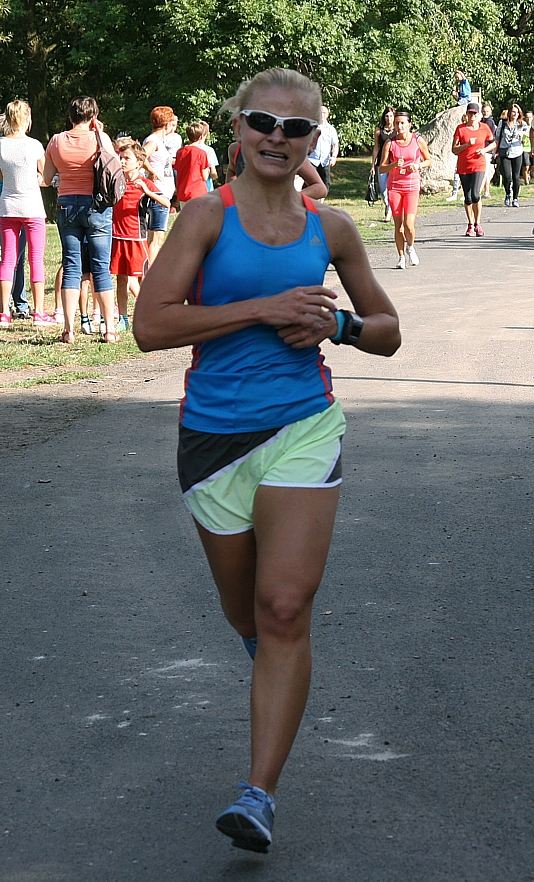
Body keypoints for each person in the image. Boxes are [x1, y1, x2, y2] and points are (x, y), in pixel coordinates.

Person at [133, 66, 400, 854]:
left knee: (284, 609)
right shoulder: (205, 216)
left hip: (303, 426)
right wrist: (264, 309)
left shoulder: (332, 228)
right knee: (246, 614)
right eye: (262, 122)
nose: (277, 138)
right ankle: (272, 661)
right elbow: (150, 326)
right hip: (214, 439)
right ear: (238, 128)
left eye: (295, 128)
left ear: (315, 138)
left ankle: (258, 796)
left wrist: (339, 328)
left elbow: (388, 331)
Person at [43, 95, 118, 342]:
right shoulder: (101, 139)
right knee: (101, 268)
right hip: (96, 205)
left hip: (66, 205)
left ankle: (69, 329)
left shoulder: (56, 140)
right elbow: (114, 169)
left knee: (71, 266)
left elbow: (47, 178)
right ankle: (109, 329)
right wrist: (100, 133)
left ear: (70, 115)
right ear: (93, 116)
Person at [0, 100, 54, 327]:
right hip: (32, 206)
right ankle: (39, 312)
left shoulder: (1, 145)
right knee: (36, 258)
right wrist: (37, 179)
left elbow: (2, 176)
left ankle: (4, 312)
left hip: (7, 206)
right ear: (27, 119)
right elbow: (47, 177)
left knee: (7, 259)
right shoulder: (34, 145)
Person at [111, 142, 170, 331]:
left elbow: (166, 203)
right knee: (121, 280)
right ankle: (123, 319)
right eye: (121, 157)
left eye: (126, 158)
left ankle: (151, 314)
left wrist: (148, 192)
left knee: (142, 279)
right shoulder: (116, 181)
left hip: (137, 239)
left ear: (138, 163)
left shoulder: (145, 183)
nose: (122, 161)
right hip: (117, 237)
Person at [379, 109, 432, 269]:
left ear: (410, 124)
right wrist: (394, 165)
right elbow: (382, 168)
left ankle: (410, 247)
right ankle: (401, 257)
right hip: (394, 187)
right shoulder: (390, 143)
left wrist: (418, 165)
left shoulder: (418, 140)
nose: (399, 126)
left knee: (409, 224)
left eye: (402, 123)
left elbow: (428, 160)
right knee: (398, 225)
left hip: (411, 186)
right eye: (397, 123)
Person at [226, 140, 328, 200]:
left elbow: (320, 188)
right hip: (246, 217)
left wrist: (291, 199)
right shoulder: (236, 149)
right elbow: (232, 170)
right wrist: (232, 196)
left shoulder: (287, 151)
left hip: (279, 219)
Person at [451, 102, 495, 237]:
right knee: (468, 197)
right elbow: (454, 149)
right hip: (464, 166)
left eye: (475, 113)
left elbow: (493, 143)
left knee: (476, 194)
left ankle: (478, 223)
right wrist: (466, 145)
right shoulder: (461, 129)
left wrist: (484, 150)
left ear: (479, 114)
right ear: (467, 114)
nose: (472, 116)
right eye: (470, 113)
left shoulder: (484, 128)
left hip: (479, 165)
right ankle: (470, 224)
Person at [142, 106, 176, 263]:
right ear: (167, 124)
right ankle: (150, 273)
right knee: (156, 239)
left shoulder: (157, 141)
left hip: (160, 194)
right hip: (158, 194)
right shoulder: (153, 141)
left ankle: (147, 270)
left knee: (153, 238)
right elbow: (141, 155)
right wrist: (151, 171)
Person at [495, 103, 529, 207]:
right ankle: (508, 194)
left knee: (516, 176)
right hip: (504, 151)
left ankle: (515, 198)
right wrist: (495, 152)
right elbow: (497, 137)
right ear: (510, 112)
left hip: (517, 151)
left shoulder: (522, 124)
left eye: (517, 112)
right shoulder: (502, 123)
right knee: (507, 176)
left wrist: (522, 133)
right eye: (513, 112)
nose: (515, 114)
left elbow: (528, 133)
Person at [174, 122, 211, 205]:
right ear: (201, 137)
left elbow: (177, 170)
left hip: (183, 192)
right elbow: (205, 176)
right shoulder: (201, 153)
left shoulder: (180, 152)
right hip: (198, 193)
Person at [307, 105, 339, 198]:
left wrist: (334, 157)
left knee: (325, 184)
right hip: (311, 160)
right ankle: (310, 202)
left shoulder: (331, 129)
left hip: (325, 161)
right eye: (320, 112)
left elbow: (335, 144)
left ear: (328, 115)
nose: (322, 115)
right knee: (310, 183)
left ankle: (320, 203)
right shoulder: (311, 127)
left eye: (324, 113)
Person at [371, 107, 395, 221]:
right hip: (382, 163)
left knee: (392, 188)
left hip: (394, 162)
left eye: (391, 116)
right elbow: (376, 148)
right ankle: (388, 205)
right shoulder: (378, 131)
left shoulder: (398, 130)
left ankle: (389, 211)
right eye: (387, 116)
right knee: (383, 189)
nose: (389, 118)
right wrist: (372, 165)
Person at [480, 103, 497, 197]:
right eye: (484, 111)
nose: (485, 113)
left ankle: (478, 192)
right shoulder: (483, 120)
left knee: (484, 171)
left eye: (487, 111)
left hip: (487, 148)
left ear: (491, 112)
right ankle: (487, 191)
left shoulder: (489, 122)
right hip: (485, 148)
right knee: (485, 171)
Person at [198, 121, 219, 192]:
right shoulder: (209, 150)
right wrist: (216, 177)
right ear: (207, 134)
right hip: (206, 187)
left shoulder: (187, 148)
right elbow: (213, 172)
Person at [522, 110, 532, 185]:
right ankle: (526, 182)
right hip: (525, 148)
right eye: (527, 117)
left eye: (530, 117)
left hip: (532, 148)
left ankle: (528, 175)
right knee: (526, 166)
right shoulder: (522, 126)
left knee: (532, 166)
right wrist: (522, 140)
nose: (529, 119)